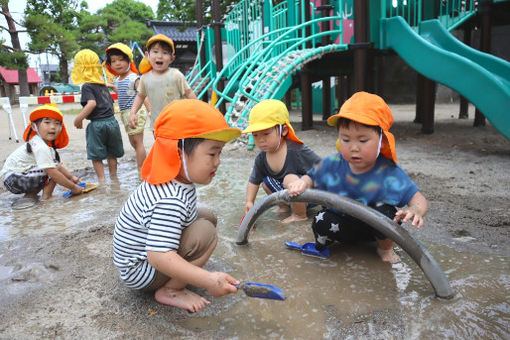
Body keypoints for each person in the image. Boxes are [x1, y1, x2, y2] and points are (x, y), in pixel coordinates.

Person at [113, 99, 242, 313]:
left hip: (140, 259)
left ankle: (179, 274)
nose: (218, 161)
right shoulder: (170, 199)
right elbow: (158, 255)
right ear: (180, 152)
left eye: (220, 153)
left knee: (207, 216)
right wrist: (208, 279)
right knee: (207, 233)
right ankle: (171, 290)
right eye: (212, 153)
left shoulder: (174, 179)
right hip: (141, 271)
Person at [288, 92, 428, 263]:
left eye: (363, 141)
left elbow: (418, 199)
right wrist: (301, 183)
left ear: (382, 141)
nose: (354, 148)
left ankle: (385, 250)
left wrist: (415, 210)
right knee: (320, 219)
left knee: (388, 214)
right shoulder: (333, 163)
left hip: (375, 229)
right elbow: (310, 177)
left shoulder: (388, 171)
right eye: (346, 140)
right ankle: (324, 248)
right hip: (340, 225)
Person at [242, 99, 322, 224]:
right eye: (255, 135)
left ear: (283, 130)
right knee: (266, 182)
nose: (260, 140)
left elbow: (323, 167)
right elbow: (253, 181)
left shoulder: (297, 150)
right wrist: (249, 202)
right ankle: (284, 207)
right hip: (289, 193)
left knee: (289, 178)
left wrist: (305, 181)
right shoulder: (261, 158)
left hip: (309, 195)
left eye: (266, 134)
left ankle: (300, 214)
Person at [0, 105, 84, 200]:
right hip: (14, 179)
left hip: (13, 178)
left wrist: (73, 178)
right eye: (47, 122)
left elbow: (57, 166)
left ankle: (30, 196)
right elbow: (53, 173)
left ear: (61, 128)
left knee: (51, 166)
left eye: (57, 123)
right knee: (51, 170)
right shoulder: (41, 146)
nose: (52, 127)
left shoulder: (41, 144)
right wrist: (73, 188)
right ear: (34, 127)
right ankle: (47, 197)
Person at [72, 49, 124, 182]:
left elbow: (92, 104)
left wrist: (79, 118)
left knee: (96, 156)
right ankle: (114, 178)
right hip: (112, 122)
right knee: (112, 154)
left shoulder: (87, 86)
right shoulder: (102, 84)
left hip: (97, 125)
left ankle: (102, 180)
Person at [128, 34, 196, 132]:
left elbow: (188, 93)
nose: (159, 56)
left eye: (165, 53)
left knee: (179, 147)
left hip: (178, 123)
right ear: (147, 55)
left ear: (172, 58)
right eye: (155, 52)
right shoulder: (145, 78)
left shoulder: (176, 75)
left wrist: (199, 109)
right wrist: (133, 113)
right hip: (157, 125)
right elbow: (140, 96)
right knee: (161, 146)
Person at [104, 42, 151, 173]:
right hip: (125, 113)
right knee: (133, 142)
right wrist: (113, 87)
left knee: (138, 142)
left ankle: (142, 169)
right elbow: (123, 93)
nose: (117, 63)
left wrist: (149, 109)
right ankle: (143, 165)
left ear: (128, 61)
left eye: (120, 60)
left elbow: (143, 95)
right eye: (113, 61)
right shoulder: (118, 80)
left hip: (135, 112)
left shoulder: (133, 78)